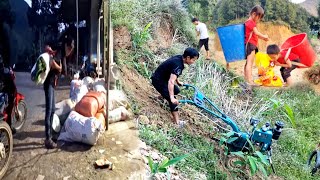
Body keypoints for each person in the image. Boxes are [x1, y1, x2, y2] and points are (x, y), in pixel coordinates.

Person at [151, 48, 199, 127]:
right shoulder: (178, 65)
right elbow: (171, 82)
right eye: (193, 60)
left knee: (176, 90)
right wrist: (172, 97)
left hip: (162, 78)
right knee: (172, 100)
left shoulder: (179, 58)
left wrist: (178, 81)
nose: (193, 62)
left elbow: (173, 72)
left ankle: (160, 98)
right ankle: (177, 122)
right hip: (158, 80)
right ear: (188, 57)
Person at [43, 44, 62, 149]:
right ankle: (47, 139)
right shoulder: (50, 57)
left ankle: (50, 135)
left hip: (51, 85)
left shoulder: (53, 56)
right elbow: (56, 67)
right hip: (48, 85)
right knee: (49, 111)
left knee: (53, 110)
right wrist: (59, 67)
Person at [244, 5, 269, 85]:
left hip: (250, 44)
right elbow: (256, 33)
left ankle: (246, 79)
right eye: (259, 17)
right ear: (254, 14)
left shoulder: (248, 22)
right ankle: (250, 81)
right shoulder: (251, 22)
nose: (259, 20)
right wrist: (264, 37)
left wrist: (262, 38)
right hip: (251, 45)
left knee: (248, 62)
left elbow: (255, 34)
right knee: (250, 63)